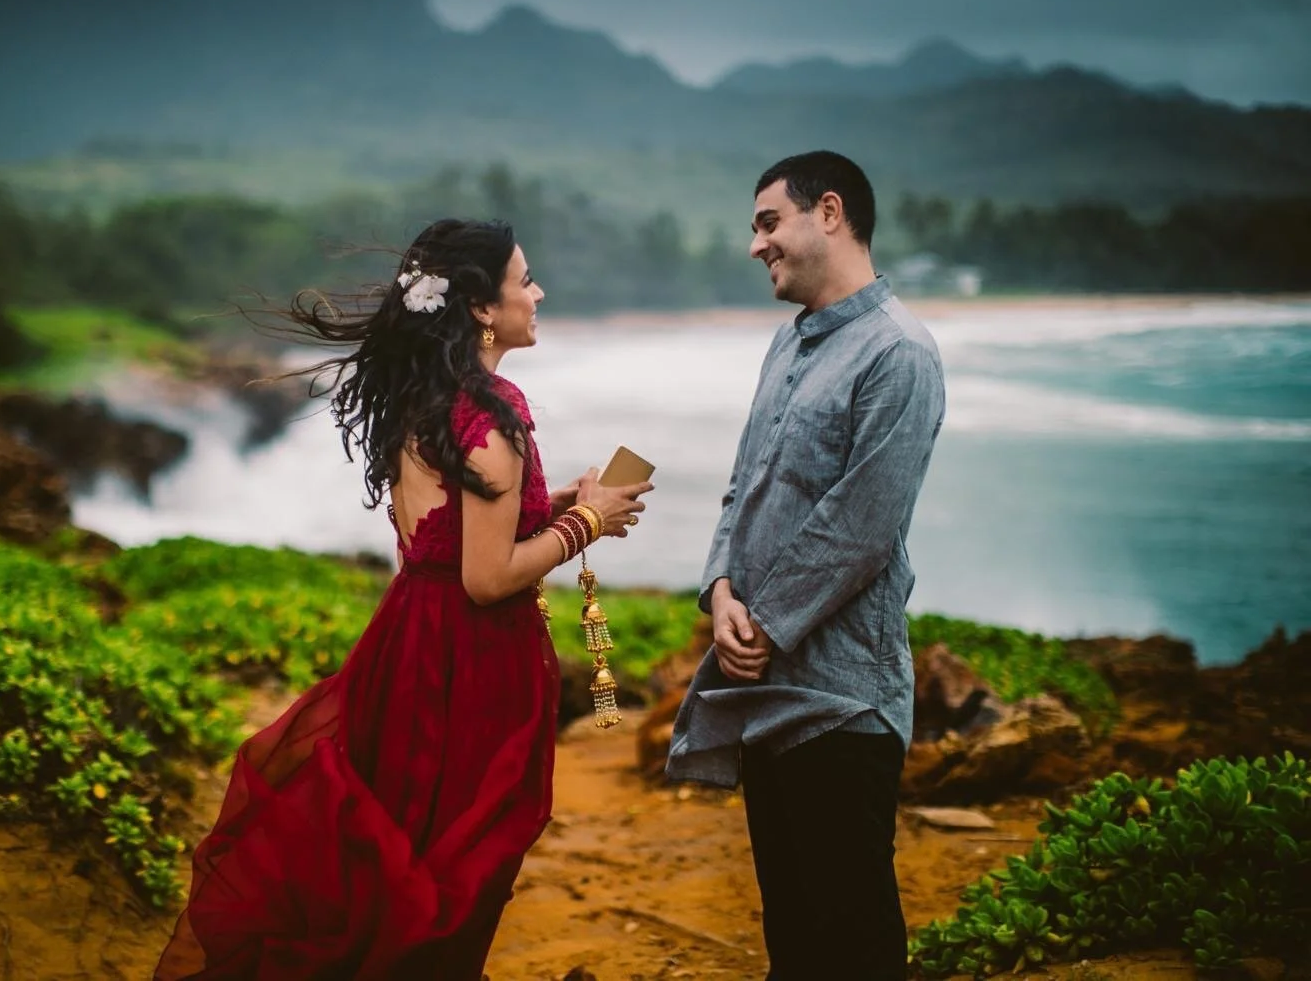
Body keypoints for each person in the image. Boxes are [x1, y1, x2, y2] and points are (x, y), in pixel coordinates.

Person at [154, 218, 653, 980]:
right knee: (462, 860)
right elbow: (486, 578)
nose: (538, 291)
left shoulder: (426, 398)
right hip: (472, 666)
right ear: (483, 307)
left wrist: (556, 507)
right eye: (526, 279)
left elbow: (446, 540)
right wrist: (589, 521)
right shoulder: (491, 414)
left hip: (409, 647)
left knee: (408, 848)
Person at [665, 151, 946, 979]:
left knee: (850, 931)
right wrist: (719, 592)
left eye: (767, 223)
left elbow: (863, 524)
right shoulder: (786, 347)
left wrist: (765, 621)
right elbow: (741, 489)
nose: (756, 245)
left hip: (841, 697)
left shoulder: (900, 354)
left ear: (829, 212)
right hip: (764, 686)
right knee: (790, 928)